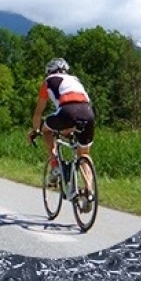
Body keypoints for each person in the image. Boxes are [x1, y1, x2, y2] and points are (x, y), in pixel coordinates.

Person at [29, 57, 95, 195]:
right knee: (84, 154)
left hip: (67, 111)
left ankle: (55, 165)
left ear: (49, 72)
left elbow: (38, 112)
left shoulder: (48, 81)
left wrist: (35, 130)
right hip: (88, 112)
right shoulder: (75, 79)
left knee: (46, 130)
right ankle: (89, 190)